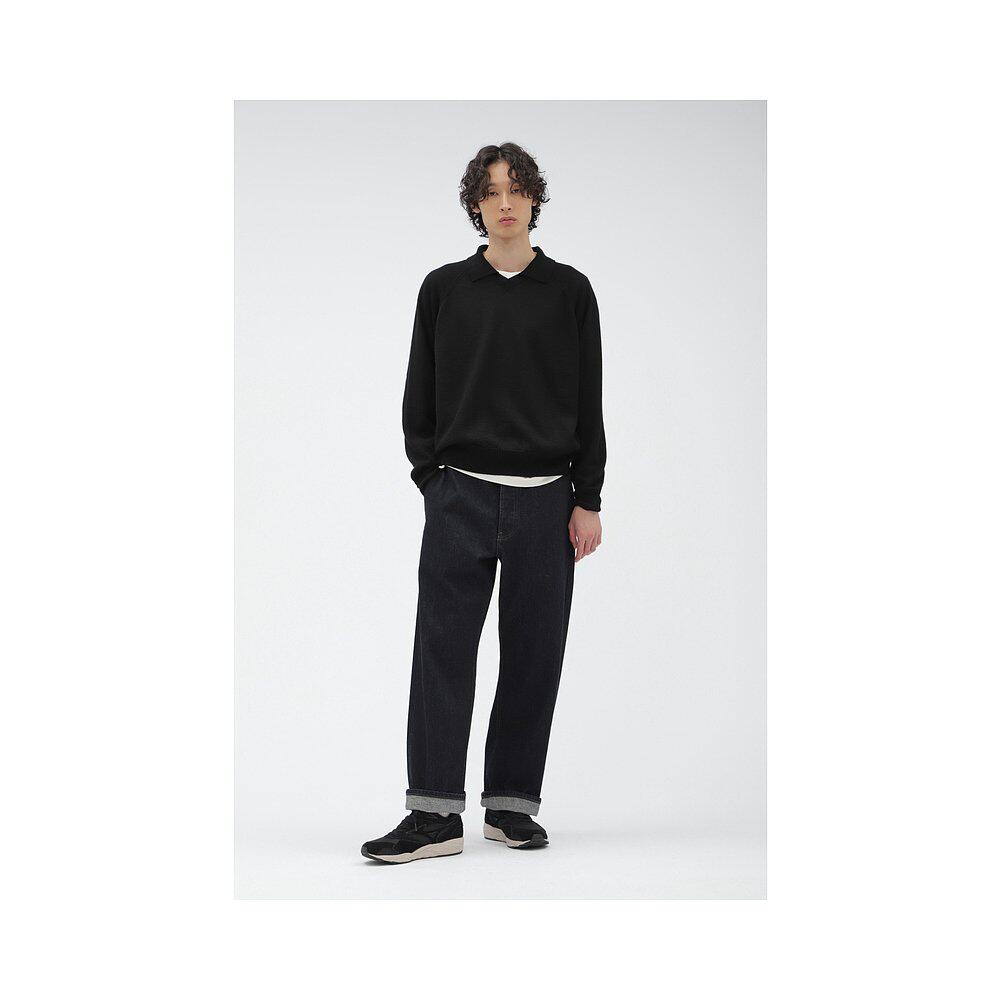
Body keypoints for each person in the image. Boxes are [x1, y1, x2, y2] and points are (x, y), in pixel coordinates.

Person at [361, 142, 607, 864]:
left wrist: (587, 497)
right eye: (492, 191)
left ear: (534, 201)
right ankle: (434, 815)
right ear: (476, 203)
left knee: (534, 655)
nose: (506, 202)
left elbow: (589, 400)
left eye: (518, 190)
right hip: (459, 496)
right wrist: (431, 479)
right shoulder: (444, 289)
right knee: (441, 653)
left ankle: (511, 806)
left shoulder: (569, 291)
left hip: (546, 502)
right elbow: (420, 389)